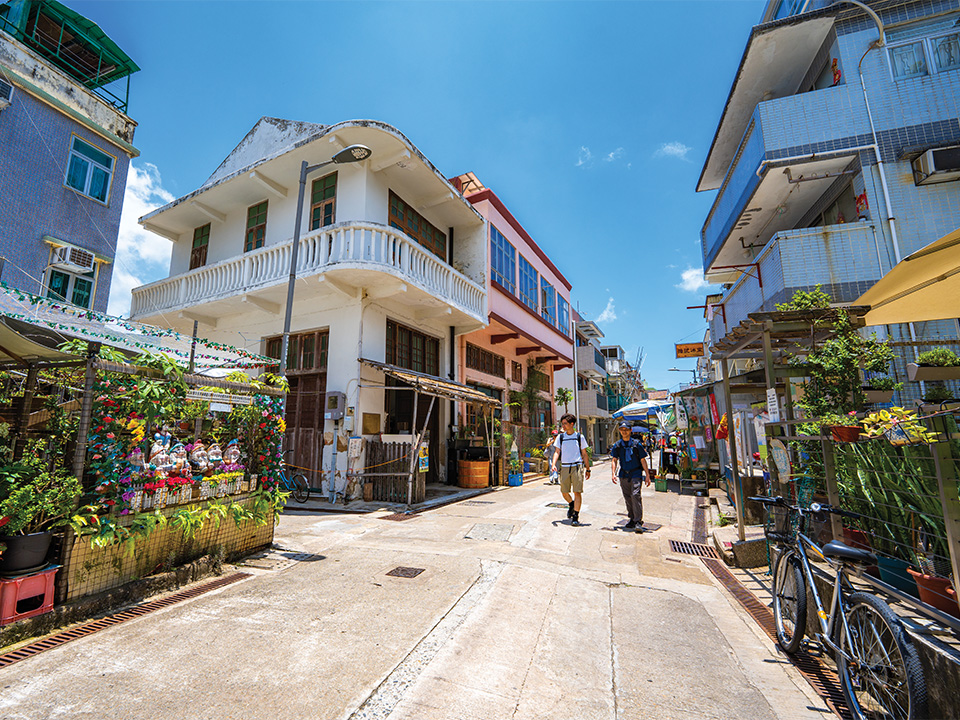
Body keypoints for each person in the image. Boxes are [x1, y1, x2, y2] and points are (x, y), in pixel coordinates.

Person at [610, 421, 652, 533]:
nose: (624, 432)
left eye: (626, 429)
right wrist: (613, 473)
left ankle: (638, 521)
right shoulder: (618, 445)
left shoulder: (636, 444)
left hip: (636, 473)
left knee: (635, 495)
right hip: (623, 474)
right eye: (622, 429)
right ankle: (632, 518)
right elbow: (614, 460)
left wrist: (647, 475)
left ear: (630, 431)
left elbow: (643, 460)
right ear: (619, 431)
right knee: (627, 497)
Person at [550, 413, 591, 526]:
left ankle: (576, 516)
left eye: (565, 424)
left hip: (577, 466)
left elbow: (584, 454)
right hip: (565, 467)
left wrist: (588, 469)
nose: (563, 426)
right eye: (562, 424)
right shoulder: (561, 437)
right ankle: (571, 504)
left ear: (571, 424)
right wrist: (553, 464)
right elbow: (557, 452)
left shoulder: (579, 437)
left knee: (577, 492)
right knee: (564, 492)